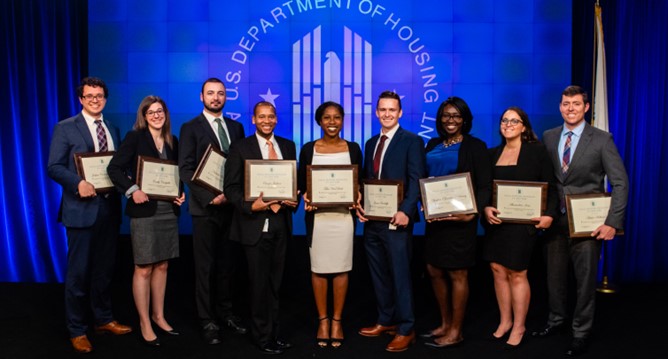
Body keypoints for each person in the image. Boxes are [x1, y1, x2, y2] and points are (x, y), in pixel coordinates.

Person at [533, 85, 628, 356]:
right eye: (566, 104)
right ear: (560, 106)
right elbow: (546, 180)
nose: (570, 108)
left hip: (588, 225)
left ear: (586, 107)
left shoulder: (601, 139)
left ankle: (581, 331)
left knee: (585, 281)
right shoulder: (549, 137)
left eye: (576, 104)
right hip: (554, 223)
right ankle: (556, 321)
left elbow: (620, 182)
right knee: (554, 278)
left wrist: (613, 222)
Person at [47, 77, 132, 353]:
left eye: (99, 96)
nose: (95, 100)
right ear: (81, 99)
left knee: (104, 272)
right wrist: (77, 183)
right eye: (89, 96)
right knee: (78, 274)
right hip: (80, 211)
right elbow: (54, 167)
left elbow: (114, 169)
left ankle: (103, 319)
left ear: (105, 99)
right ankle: (76, 329)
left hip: (109, 210)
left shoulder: (113, 129)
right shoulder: (65, 127)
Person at [107, 96, 185, 346]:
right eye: (151, 112)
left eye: (160, 111)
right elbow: (114, 169)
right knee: (144, 267)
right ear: (143, 115)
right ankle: (144, 321)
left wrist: (180, 193)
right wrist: (132, 190)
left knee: (162, 265)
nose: (156, 115)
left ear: (166, 114)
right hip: (143, 211)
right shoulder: (135, 138)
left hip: (167, 211)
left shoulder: (173, 141)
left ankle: (159, 315)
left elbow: (176, 173)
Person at [224, 101, 299, 355]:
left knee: (276, 284)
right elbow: (231, 188)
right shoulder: (241, 147)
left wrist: (294, 198)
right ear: (253, 119)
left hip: (281, 223)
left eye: (271, 116)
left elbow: (292, 183)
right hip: (254, 224)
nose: (267, 120)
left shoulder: (288, 146)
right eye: (261, 117)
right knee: (258, 286)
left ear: (276, 119)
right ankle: (262, 337)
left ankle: (274, 334)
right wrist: (251, 205)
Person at [178, 78, 247, 345]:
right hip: (205, 209)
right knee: (205, 267)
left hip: (231, 208)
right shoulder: (190, 128)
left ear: (226, 96)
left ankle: (226, 314)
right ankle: (207, 321)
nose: (216, 97)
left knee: (228, 266)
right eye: (210, 93)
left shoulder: (236, 127)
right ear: (201, 97)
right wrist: (211, 196)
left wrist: (233, 196)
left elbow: (242, 168)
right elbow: (185, 168)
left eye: (220, 93)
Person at [482, 106, 558, 349]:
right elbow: (485, 189)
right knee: (497, 269)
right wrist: (485, 208)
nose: (508, 124)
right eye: (504, 120)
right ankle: (505, 321)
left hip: (524, 225)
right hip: (498, 223)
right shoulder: (492, 153)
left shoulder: (536, 152)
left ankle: (519, 325)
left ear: (524, 126)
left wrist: (549, 215)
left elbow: (552, 186)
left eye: (514, 121)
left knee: (517, 272)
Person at [357, 91, 426, 352]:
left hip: (398, 221)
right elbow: (368, 180)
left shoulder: (412, 141)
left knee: (400, 275)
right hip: (373, 221)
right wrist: (361, 204)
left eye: (392, 110)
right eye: (382, 109)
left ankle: (407, 328)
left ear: (400, 113)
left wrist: (407, 210)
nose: (387, 114)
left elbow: (417, 178)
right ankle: (386, 320)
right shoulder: (370, 142)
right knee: (378, 274)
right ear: (376, 112)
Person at [420, 96, 492, 348]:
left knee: (457, 273)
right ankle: (445, 323)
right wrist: (422, 200)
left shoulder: (476, 147)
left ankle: (456, 331)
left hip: (461, 221)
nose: (451, 120)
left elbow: (484, 186)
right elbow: (424, 178)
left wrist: (473, 214)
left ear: (464, 120)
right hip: (436, 220)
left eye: (456, 116)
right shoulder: (432, 143)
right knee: (434, 270)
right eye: (446, 115)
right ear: (440, 118)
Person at [297, 101, 363, 349]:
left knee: (342, 267)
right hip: (318, 219)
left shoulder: (354, 149)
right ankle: (323, 321)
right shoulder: (308, 149)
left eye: (337, 117)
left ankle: (337, 321)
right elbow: (302, 184)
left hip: (343, 218)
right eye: (327, 117)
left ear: (343, 120)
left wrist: (357, 194)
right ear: (319, 121)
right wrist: (305, 195)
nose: (332, 122)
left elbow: (359, 183)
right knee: (319, 268)